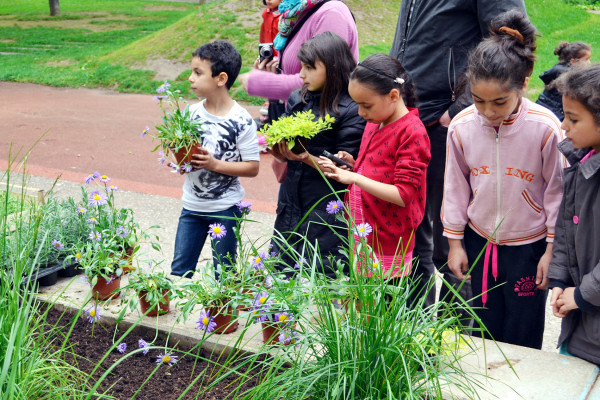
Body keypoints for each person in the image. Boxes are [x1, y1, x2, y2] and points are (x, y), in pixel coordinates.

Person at [389, 0, 527, 309]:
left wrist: (461, 107)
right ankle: (411, 332)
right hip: (408, 115)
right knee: (411, 235)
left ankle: (453, 339)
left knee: (450, 237)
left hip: (445, 120)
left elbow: (513, 40)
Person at [441, 10, 564, 349]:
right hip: (480, 241)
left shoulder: (546, 128)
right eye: (479, 101)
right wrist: (455, 244)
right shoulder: (462, 126)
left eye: (500, 102)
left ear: (524, 82)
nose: (489, 112)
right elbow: (454, 188)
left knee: (523, 330)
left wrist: (551, 250)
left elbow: (557, 193)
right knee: (482, 327)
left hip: (530, 247)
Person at [318, 53, 430, 281]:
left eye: (365, 105)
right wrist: (353, 165)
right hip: (363, 230)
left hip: (387, 240)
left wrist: (356, 179)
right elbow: (380, 168)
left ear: (393, 95)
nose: (360, 113)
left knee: (381, 310)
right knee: (361, 307)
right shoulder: (377, 120)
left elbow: (403, 194)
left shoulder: (412, 131)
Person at [269, 31, 364, 275]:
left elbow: (347, 171)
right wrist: (279, 151)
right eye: (302, 67)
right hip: (290, 203)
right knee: (280, 277)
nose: (301, 74)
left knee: (324, 283)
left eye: (310, 68)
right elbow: (285, 153)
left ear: (333, 68)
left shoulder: (352, 108)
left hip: (327, 211)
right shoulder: (297, 98)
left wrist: (306, 158)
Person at [170, 40, 260, 279]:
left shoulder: (242, 120)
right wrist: (181, 159)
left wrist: (213, 164)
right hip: (191, 207)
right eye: (192, 71)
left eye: (198, 73)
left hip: (226, 210)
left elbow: (252, 168)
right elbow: (188, 155)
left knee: (225, 275)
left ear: (221, 79)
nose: (190, 78)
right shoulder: (190, 114)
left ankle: (221, 316)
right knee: (179, 272)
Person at [548, 63, 600, 364]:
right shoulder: (581, 159)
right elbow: (567, 226)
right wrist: (560, 279)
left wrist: (582, 295)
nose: (564, 125)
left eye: (573, 118)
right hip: (582, 327)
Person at [239, 0, 358, 122]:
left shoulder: (331, 14)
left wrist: (263, 83)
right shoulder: (297, 11)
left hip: (322, 126)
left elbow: (326, 79)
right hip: (297, 117)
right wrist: (276, 70)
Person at [536, 41, 592, 121]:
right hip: (556, 114)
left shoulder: (559, 69)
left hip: (543, 109)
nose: (589, 62)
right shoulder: (569, 76)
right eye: (586, 59)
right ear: (573, 61)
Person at [257, 0, 282, 128]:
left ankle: (275, 109)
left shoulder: (284, 15)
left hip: (280, 54)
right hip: (268, 51)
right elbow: (263, 34)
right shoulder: (266, 14)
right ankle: (269, 105)